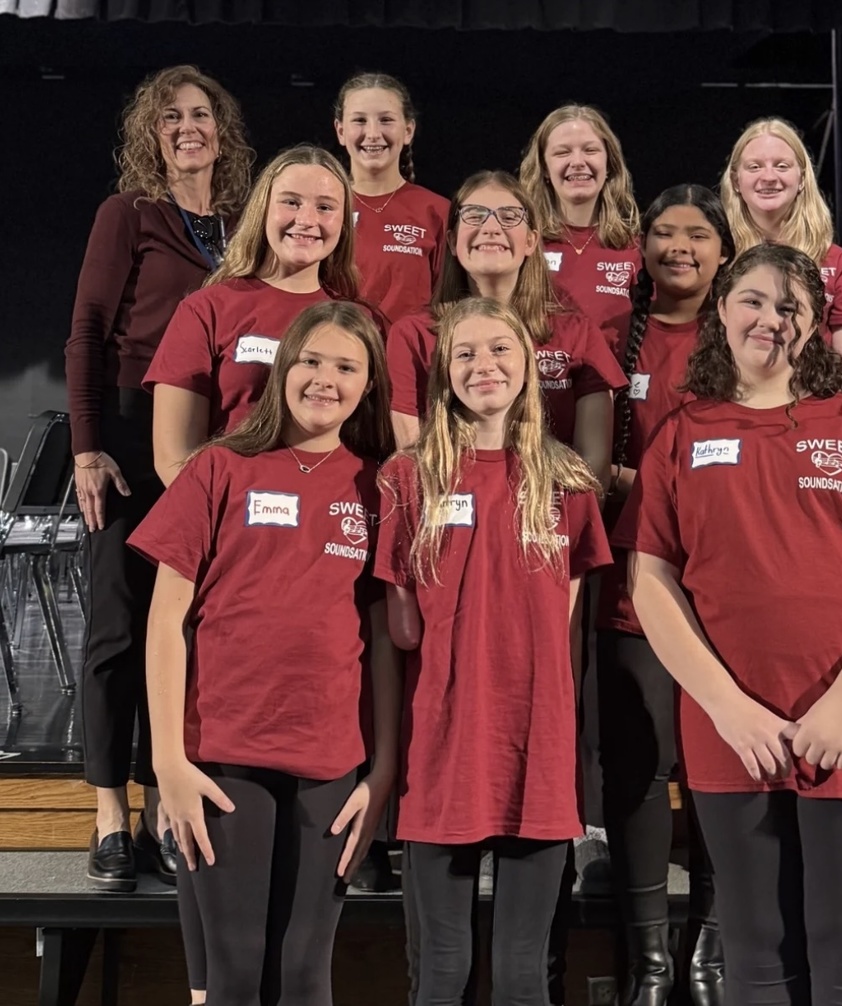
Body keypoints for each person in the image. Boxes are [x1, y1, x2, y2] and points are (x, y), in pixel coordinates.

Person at [616, 243, 842, 1006]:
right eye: (755, 301)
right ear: (722, 313)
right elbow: (652, 581)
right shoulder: (681, 434)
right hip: (733, 736)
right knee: (756, 962)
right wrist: (729, 709)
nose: (772, 320)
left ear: (814, 327)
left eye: (792, 308)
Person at [128, 301, 400, 1006]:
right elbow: (164, 624)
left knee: (307, 975)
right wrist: (167, 764)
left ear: (369, 385)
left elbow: (383, 645)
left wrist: (386, 768)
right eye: (311, 360)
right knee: (237, 974)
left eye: (347, 366)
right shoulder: (218, 468)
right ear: (284, 367)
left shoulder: (379, 487)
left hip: (332, 765)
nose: (324, 379)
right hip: (221, 756)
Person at [375, 296, 612, 1006]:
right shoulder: (406, 479)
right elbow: (401, 631)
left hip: (532, 752)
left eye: (500, 350)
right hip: (441, 751)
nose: (485, 364)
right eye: (466, 353)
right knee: (441, 974)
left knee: (521, 977)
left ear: (529, 368)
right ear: (443, 372)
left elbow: (562, 626)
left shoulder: (566, 481)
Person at [65, 64, 252, 904]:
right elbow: (88, 331)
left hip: (221, 442)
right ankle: (111, 815)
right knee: (117, 627)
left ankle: (167, 812)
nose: (188, 127)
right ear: (151, 132)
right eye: (171, 116)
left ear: (223, 131)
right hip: (136, 441)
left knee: (190, 635)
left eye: (201, 115)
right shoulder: (128, 213)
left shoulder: (245, 225)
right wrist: (86, 447)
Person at [596, 185, 733, 1006]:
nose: (678, 247)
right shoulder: (618, 336)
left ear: (724, 247)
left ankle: (708, 952)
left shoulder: (746, 328)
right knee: (639, 766)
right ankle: (648, 962)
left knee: (719, 766)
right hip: (637, 581)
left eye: (697, 234)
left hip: (726, 585)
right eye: (663, 233)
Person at [145, 144, 378, 484]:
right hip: (230, 521)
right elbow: (173, 458)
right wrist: (228, 524)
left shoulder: (358, 322)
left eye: (325, 207)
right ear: (262, 209)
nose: (307, 220)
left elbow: (367, 443)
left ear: (343, 224)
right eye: (291, 202)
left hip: (323, 521)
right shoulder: (207, 309)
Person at [387, 170, 626, 487]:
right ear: (452, 241)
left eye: (509, 216)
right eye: (473, 215)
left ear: (530, 241)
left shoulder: (577, 332)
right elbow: (413, 459)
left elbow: (592, 469)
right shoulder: (412, 335)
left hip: (551, 519)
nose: (490, 228)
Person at [720, 116, 842, 383]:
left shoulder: (834, 261)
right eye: (755, 166)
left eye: (782, 166)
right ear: (736, 181)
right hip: (733, 410)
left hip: (814, 412)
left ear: (802, 178)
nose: (768, 177)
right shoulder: (718, 257)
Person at [519, 104, 641, 345]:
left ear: (610, 165)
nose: (577, 162)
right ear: (544, 168)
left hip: (611, 382)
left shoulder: (636, 248)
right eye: (562, 152)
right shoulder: (522, 242)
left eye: (590, 150)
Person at [334, 72, 449, 325]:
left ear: (408, 130)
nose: (373, 133)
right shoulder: (322, 207)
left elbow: (449, 306)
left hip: (410, 361)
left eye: (386, 120)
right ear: (340, 131)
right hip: (333, 357)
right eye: (360, 121)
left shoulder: (437, 212)